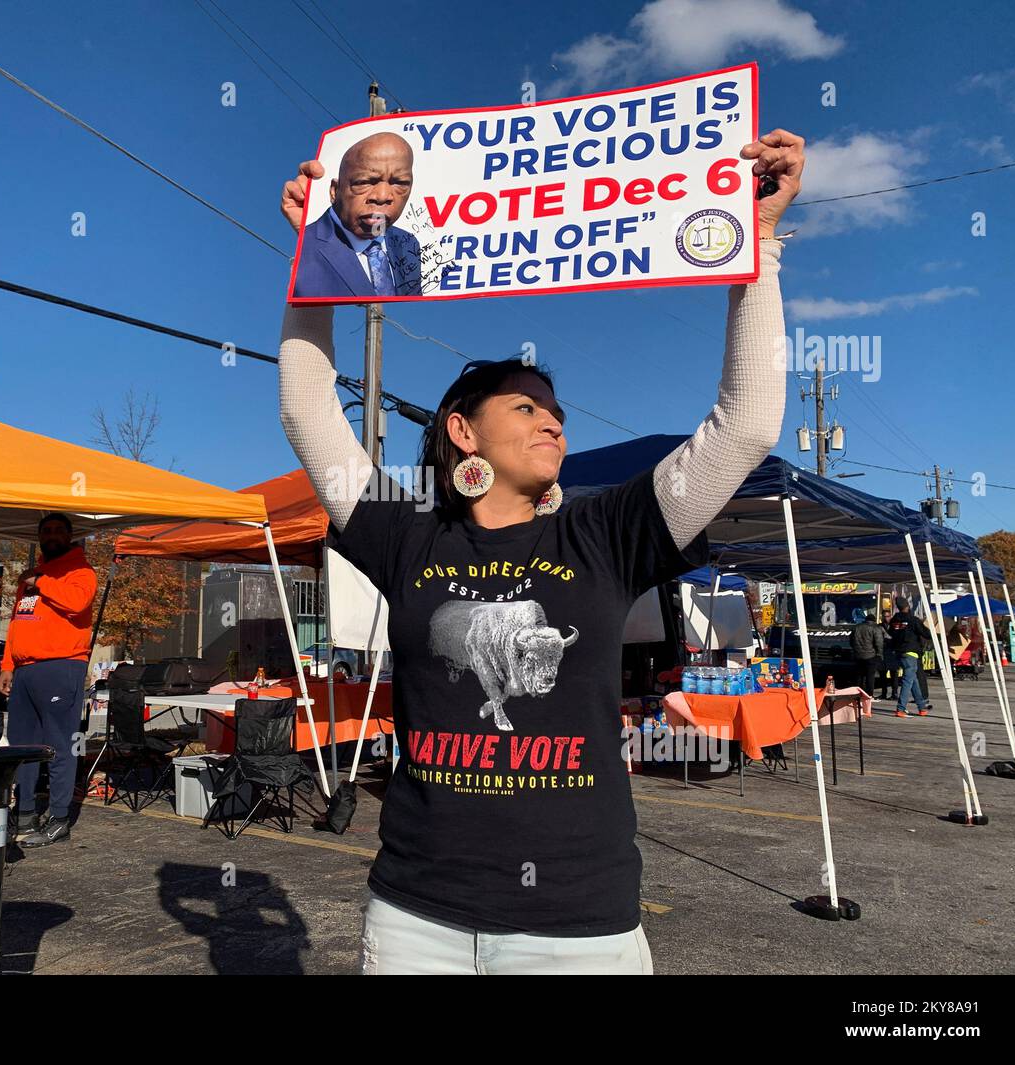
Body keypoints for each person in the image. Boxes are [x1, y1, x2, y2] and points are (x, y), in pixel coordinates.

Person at [279, 127, 804, 973]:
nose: (550, 417)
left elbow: (745, 425)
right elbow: (309, 411)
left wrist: (762, 242)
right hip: (418, 918)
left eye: (555, 407)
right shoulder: (406, 528)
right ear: (461, 431)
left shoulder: (605, 533)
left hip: (578, 928)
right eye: (523, 406)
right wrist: (314, 253)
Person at [0, 512, 98, 847]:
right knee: (23, 746)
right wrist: (7, 663)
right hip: (24, 671)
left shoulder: (80, 571)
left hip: (61, 667)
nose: (51, 535)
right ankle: (24, 812)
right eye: (46, 530)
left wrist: (41, 583)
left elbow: (77, 602)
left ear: (69, 536)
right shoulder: (30, 574)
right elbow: (17, 622)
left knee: (58, 745)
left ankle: (58, 818)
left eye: (58, 530)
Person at [292, 131, 422, 299]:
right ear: (334, 191)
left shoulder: (407, 242)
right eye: (364, 182)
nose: (383, 196)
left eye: (400, 183)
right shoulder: (307, 243)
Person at [887, 600, 931, 717]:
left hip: (899, 652)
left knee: (913, 679)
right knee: (907, 680)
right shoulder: (913, 620)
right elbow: (926, 634)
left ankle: (922, 707)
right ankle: (900, 708)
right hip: (911, 652)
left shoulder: (894, 621)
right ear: (908, 606)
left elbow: (890, 633)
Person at [850, 611, 884, 696]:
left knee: (859, 675)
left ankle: (858, 692)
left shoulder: (856, 627)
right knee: (870, 676)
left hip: (858, 655)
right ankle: (869, 694)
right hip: (871, 656)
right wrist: (880, 654)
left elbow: (851, 641)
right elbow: (879, 643)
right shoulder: (875, 628)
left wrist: (855, 650)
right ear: (874, 620)